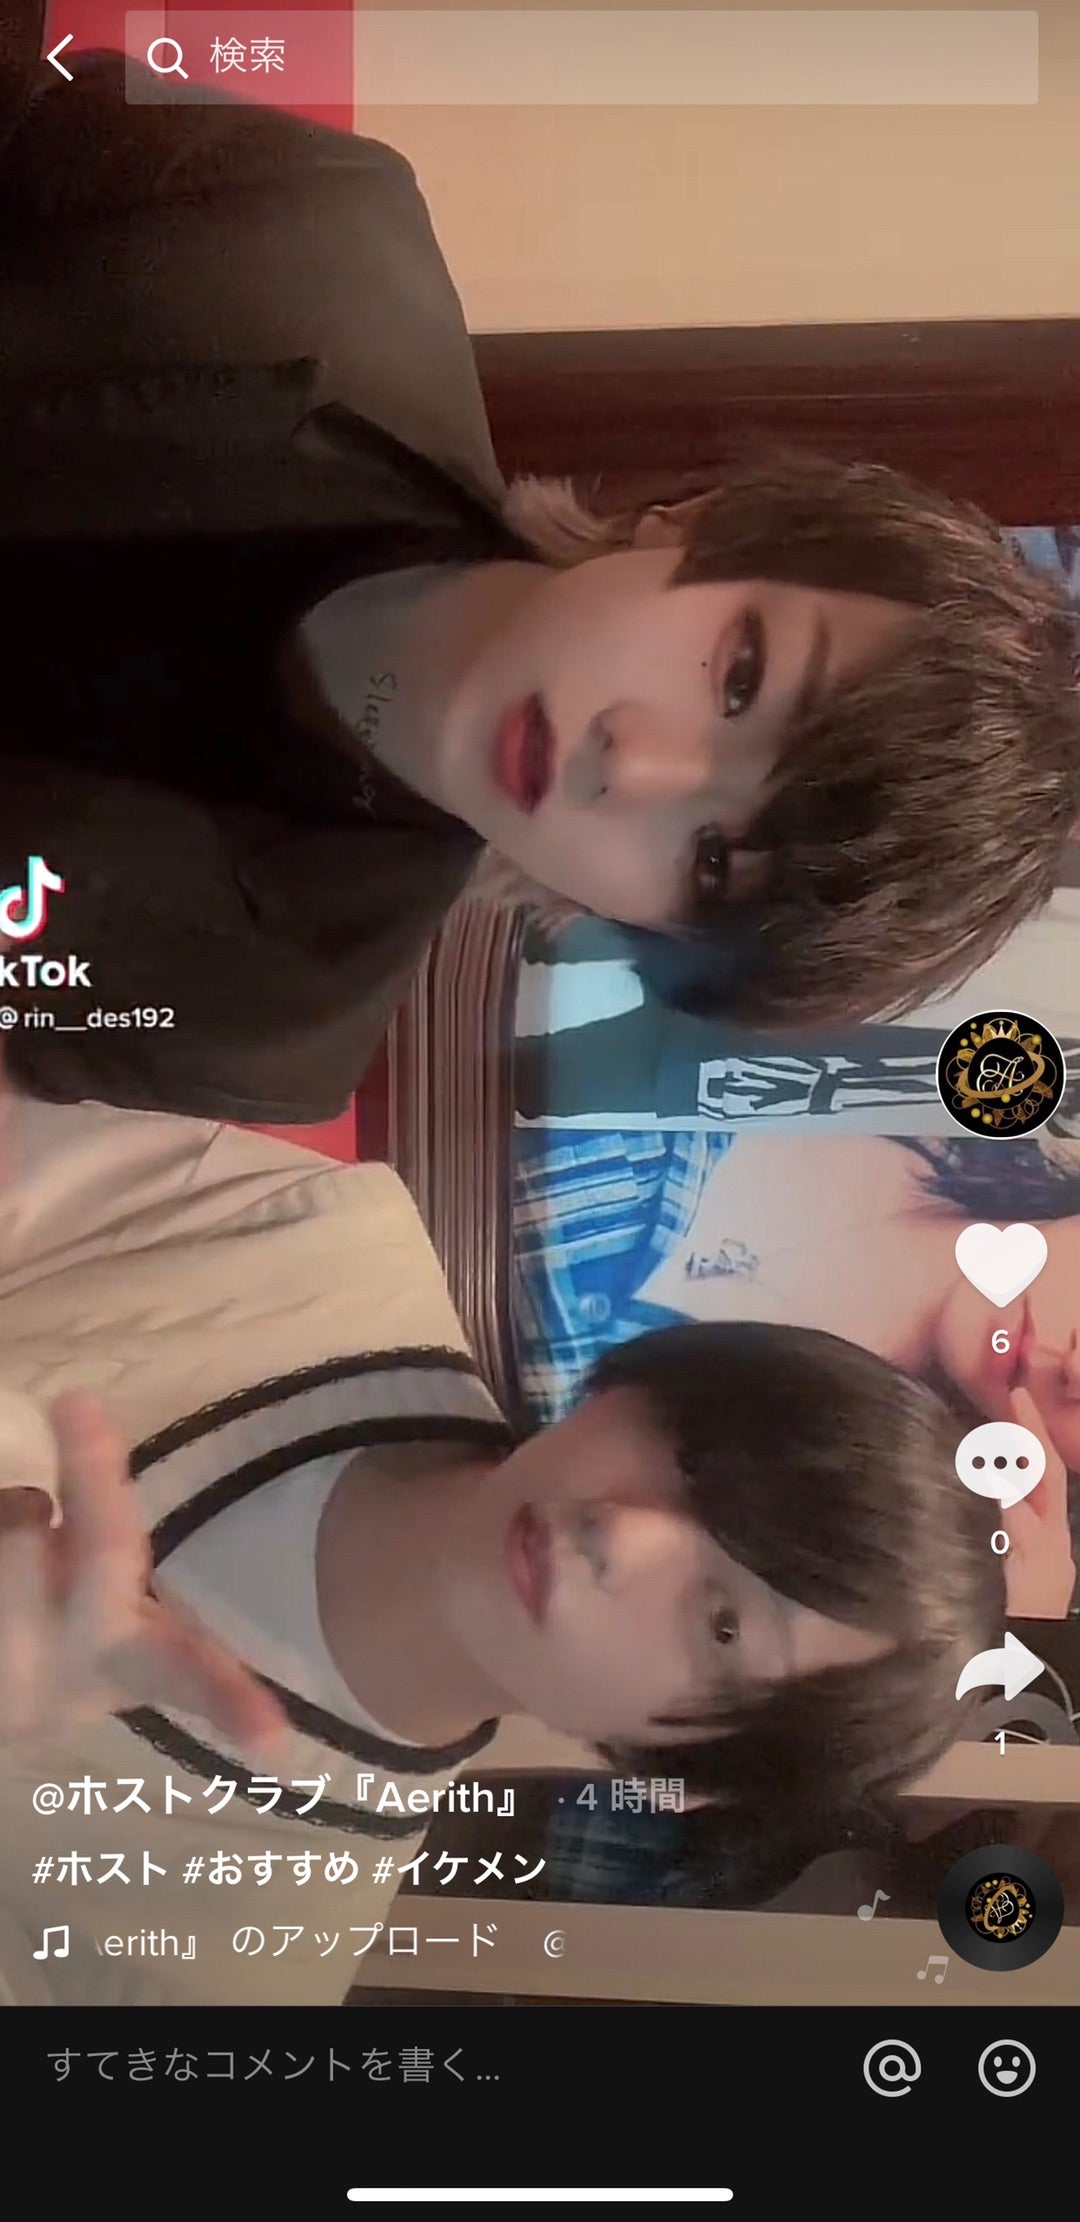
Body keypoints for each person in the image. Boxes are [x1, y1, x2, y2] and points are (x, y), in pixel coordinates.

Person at [1, 49, 1079, 1123]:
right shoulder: (302, 226)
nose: (635, 763)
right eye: (741, 675)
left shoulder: (270, 1028)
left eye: (710, 863)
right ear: (702, 521)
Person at [0, 1092, 1002, 2004]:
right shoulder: (320, 1244)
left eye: (723, 1624)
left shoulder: (245, 1953)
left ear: (686, 1769)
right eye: (699, 1462)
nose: (626, 1532)